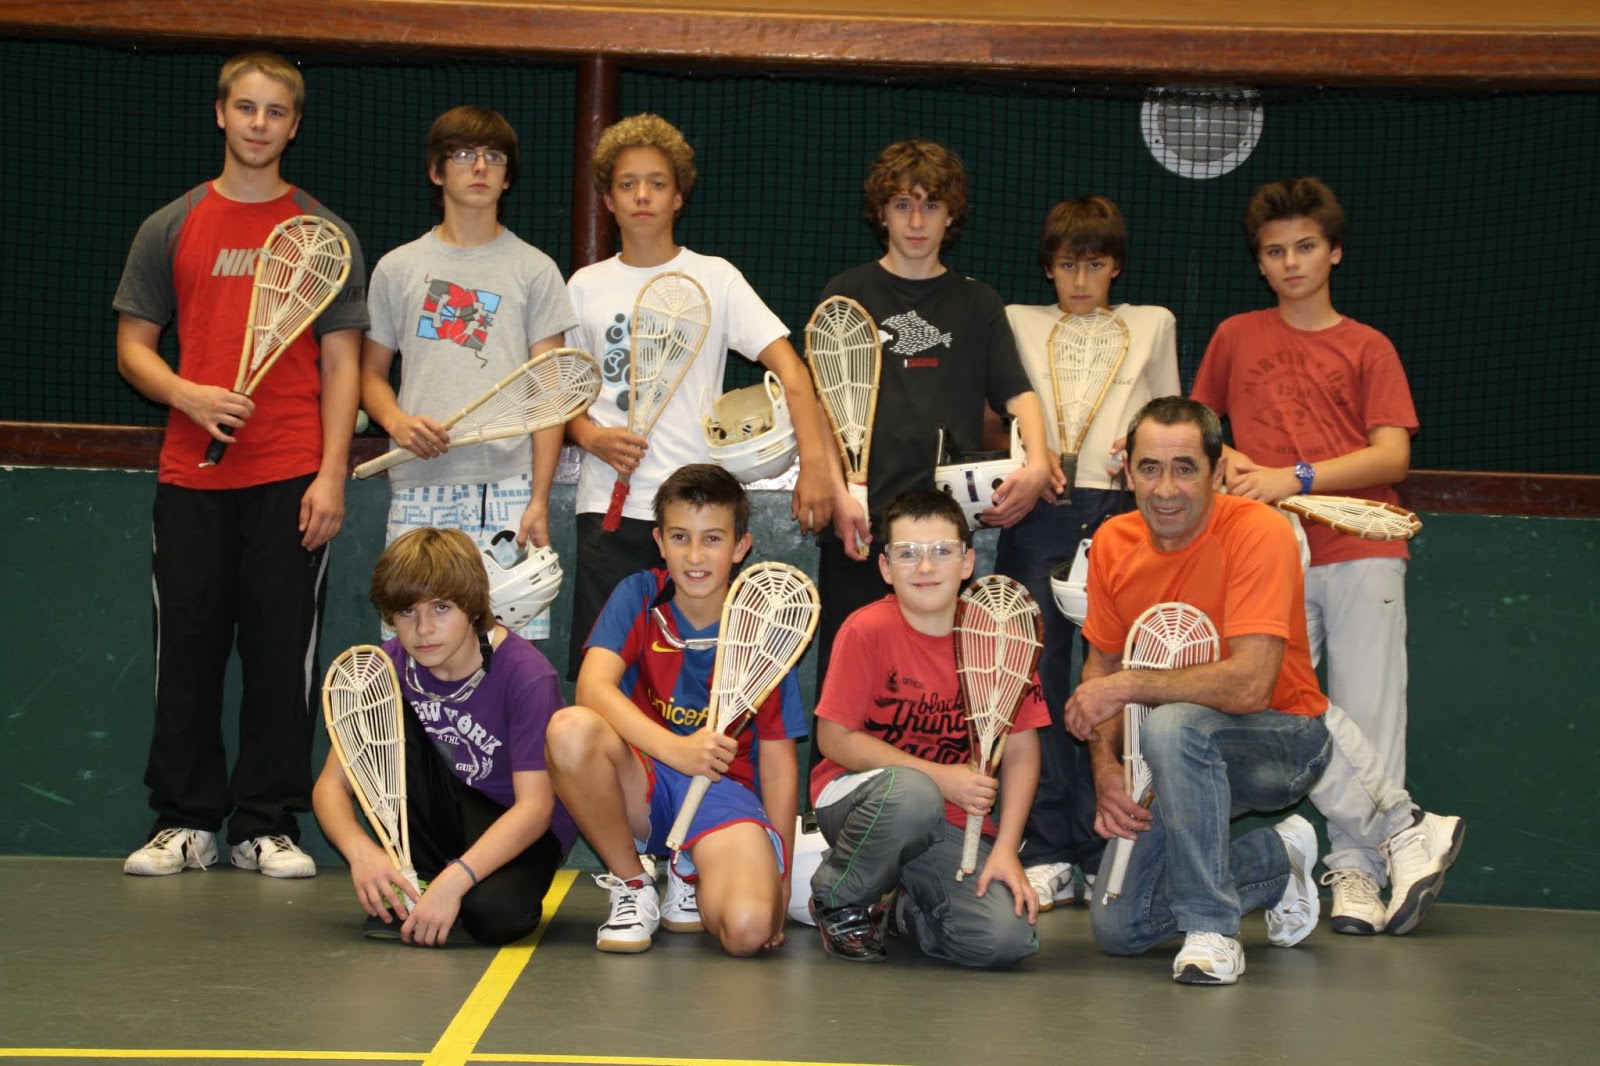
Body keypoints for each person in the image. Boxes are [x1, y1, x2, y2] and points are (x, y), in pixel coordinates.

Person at [114, 52, 368, 879]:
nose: (260, 123)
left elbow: (343, 364)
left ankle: (266, 823)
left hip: (291, 478)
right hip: (192, 479)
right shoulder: (171, 225)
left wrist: (330, 474)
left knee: (280, 657)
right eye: (247, 107)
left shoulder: (325, 235)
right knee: (185, 653)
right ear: (221, 113)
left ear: (294, 125)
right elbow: (133, 347)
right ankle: (185, 820)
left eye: (276, 111)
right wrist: (186, 394)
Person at [1191, 177, 1460, 935]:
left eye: (1305, 247)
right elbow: (1201, 429)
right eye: (1275, 251)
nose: (1291, 262)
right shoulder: (1235, 336)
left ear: (1334, 252)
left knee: (1371, 710)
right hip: (1269, 553)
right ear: (1260, 263)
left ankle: (1359, 871)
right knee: (1285, 703)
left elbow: (1393, 455)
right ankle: (1405, 830)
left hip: (1364, 545)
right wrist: (1229, 460)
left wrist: (1294, 477)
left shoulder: (1368, 346)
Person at [1066, 397, 1332, 985]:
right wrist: (1106, 768)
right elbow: (1100, 667)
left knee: (1172, 722)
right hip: (1174, 758)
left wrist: (1130, 685)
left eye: (1185, 468)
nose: (1166, 489)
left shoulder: (1259, 530)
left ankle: (1212, 930)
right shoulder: (1111, 541)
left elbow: (1251, 685)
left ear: (1216, 473)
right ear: (1127, 473)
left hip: (1285, 742)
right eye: (1150, 468)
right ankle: (1277, 858)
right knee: (1120, 926)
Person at [563, 113, 834, 680]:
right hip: (610, 510)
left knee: (691, 679)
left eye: (657, 183)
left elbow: (792, 369)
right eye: (627, 184)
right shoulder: (584, 286)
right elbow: (563, 398)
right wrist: (591, 436)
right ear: (608, 200)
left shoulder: (715, 277)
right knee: (606, 681)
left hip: (696, 517)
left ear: (679, 196)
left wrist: (814, 466)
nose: (642, 195)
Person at [811, 139, 1059, 733]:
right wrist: (837, 492)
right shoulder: (846, 295)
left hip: (945, 537)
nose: (916, 221)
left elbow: (1020, 397)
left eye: (930, 205)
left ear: (952, 215)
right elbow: (820, 408)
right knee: (848, 696)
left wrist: (1037, 461)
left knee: (936, 698)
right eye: (902, 205)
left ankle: (940, 792)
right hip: (861, 525)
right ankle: (838, 792)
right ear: (881, 213)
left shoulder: (978, 303)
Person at [997, 195, 1180, 909]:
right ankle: (1046, 848)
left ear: (1116, 267)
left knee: (1116, 679)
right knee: (1034, 677)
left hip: (1120, 512)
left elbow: (1171, 417)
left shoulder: (1154, 323)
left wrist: (1143, 450)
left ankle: (1105, 842)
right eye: (1068, 265)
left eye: (1095, 265)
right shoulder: (1015, 320)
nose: (1081, 280)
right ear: (1048, 268)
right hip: (1039, 510)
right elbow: (999, 410)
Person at [545, 464, 806, 956]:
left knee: (749, 930)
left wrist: (783, 879)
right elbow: (592, 690)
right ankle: (633, 884)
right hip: (641, 780)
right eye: (681, 537)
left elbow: (777, 766)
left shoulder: (763, 629)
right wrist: (678, 751)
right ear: (660, 542)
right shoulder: (639, 594)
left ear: (741, 546)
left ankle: (692, 871)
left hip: (723, 794)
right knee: (569, 730)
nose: (695, 555)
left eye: (713, 539)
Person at [360, 106, 578, 643]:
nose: (479, 167)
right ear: (437, 172)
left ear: (507, 177)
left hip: (507, 486)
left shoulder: (535, 270)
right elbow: (370, 375)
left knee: (503, 648)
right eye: (463, 155)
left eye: (494, 157)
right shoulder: (397, 268)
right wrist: (397, 421)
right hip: (419, 483)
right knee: (418, 644)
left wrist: (538, 499)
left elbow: (549, 393)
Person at [809, 488, 1044, 969]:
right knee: (914, 794)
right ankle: (840, 897)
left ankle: (900, 910)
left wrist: (1006, 849)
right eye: (907, 553)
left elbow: (1021, 750)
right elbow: (833, 739)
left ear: (967, 561)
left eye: (941, 550)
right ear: (885, 567)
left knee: (1004, 941)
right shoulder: (866, 630)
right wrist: (941, 778)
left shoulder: (1000, 638)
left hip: (952, 823)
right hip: (860, 802)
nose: (925, 566)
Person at [312, 527, 577, 946]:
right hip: (438, 816)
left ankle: (442, 885)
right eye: (407, 612)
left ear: (472, 607)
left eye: (441, 608)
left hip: (517, 827)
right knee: (381, 700)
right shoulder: (386, 669)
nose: (424, 629)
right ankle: (417, 877)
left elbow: (535, 808)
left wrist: (457, 880)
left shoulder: (527, 676)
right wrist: (359, 850)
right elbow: (330, 785)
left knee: (498, 918)